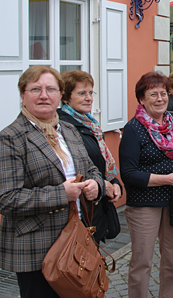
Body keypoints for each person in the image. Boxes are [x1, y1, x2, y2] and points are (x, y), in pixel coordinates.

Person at [0, 66, 104, 298]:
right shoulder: (10, 138)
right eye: (35, 89)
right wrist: (62, 194)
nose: (44, 95)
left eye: (51, 89)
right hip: (37, 249)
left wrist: (96, 185)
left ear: (60, 95)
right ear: (23, 95)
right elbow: (5, 199)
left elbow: (91, 169)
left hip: (76, 240)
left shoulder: (69, 130)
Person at [119, 71, 173, 298]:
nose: (160, 99)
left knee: (172, 258)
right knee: (142, 261)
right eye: (153, 94)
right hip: (144, 204)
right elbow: (129, 174)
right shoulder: (133, 129)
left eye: (163, 93)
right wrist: (168, 178)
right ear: (142, 98)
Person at [57, 70, 123, 243]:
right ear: (65, 97)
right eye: (81, 93)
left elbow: (100, 160)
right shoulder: (63, 126)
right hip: (79, 210)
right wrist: (104, 185)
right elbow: (76, 167)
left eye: (90, 93)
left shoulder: (90, 123)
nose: (89, 98)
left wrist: (114, 183)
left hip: (97, 206)